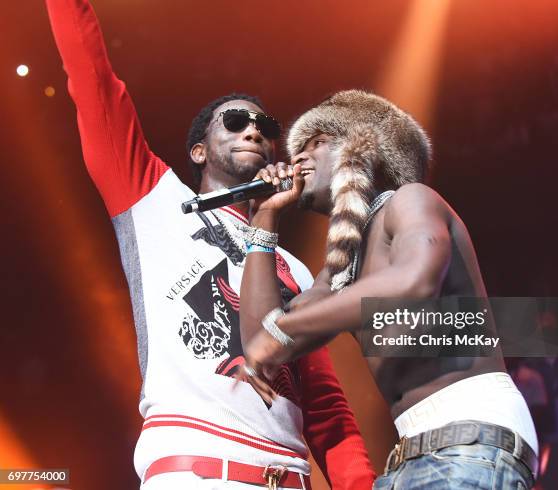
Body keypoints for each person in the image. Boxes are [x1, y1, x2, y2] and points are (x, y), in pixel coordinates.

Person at [45, 2, 375, 488]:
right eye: (237, 120)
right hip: (197, 470)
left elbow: (325, 406)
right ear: (199, 150)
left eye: (266, 127)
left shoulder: (293, 267)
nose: (254, 130)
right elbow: (93, 78)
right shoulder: (152, 199)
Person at [239, 90, 539, 489]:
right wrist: (265, 216)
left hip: (470, 439)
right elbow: (265, 334)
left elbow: (413, 281)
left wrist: (282, 334)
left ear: (364, 150)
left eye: (319, 143)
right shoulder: (339, 269)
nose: (298, 158)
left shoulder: (410, 201)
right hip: (413, 455)